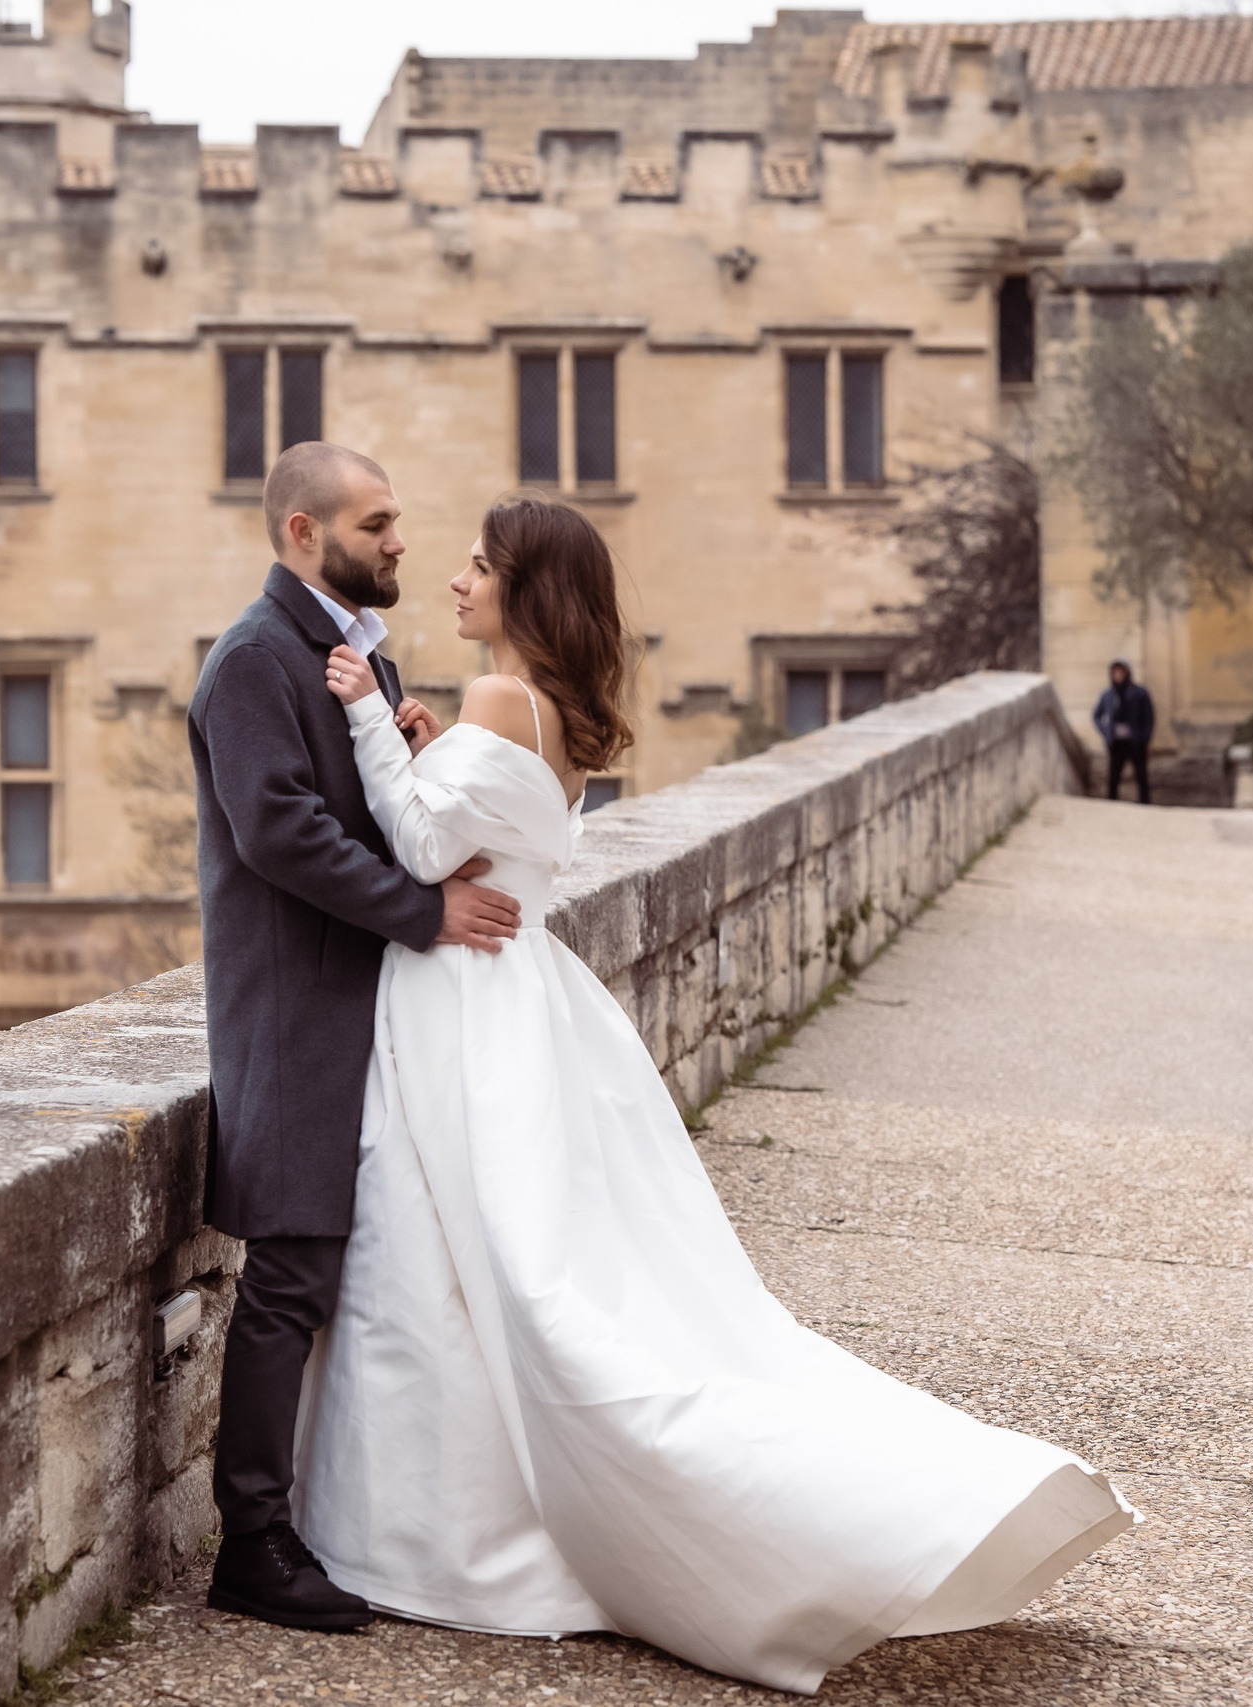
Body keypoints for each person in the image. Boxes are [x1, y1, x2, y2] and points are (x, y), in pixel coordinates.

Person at [298, 494, 1135, 1695]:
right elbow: (486, 825)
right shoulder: (556, 715)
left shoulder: (497, 699)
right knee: (491, 1267)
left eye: (476, 568)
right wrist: (426, 749)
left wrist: (376, 725)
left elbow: (429, 854)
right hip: (525, 993)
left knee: (459, 1267)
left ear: (523, 592)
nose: (453, 583)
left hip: (466, 1004)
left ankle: (441, 1534)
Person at [187, 442, 524, 1631]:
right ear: (300, 534)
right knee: (284, 1281)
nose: (397, 543)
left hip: (356, 1005)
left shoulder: (339, 656)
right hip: (292, 1015)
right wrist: (425, 913)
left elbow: (356, 813)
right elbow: (280, 838)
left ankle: (314, 1525)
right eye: (375, 524)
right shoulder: (249, 664)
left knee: (326, 1278)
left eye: (395, 522)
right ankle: (253, 1547)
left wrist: (411, 758)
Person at [1092, 660, 1155, 805]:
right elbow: (1096, 716)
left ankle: (1146, 804)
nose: (1118, 675)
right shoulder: (1108, 694)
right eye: (1115, 673)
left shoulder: (1139, 693)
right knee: (1114, 776)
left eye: (1121, 672)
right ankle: (1112, 804)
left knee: (1141, 776)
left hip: (1135, 741)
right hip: (1116, 742)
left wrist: (1144, 737)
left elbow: (1149, 717)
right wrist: (1106, 732)